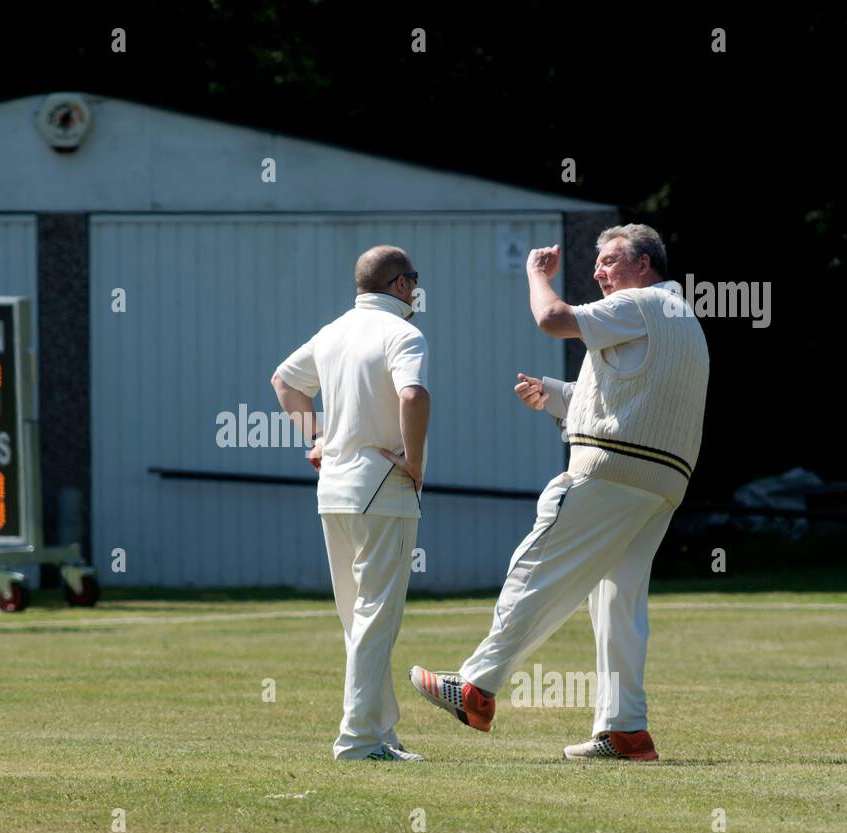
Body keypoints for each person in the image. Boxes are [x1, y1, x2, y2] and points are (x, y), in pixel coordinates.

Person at [409, 224, 708, 760]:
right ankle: (625, 731)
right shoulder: (679, 317)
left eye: (610, 261)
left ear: (645, 265)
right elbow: (633, 401)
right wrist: (556, 396)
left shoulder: (640, 303)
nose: (598, 272)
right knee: (618, 602)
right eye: (596, 263)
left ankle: (476, 688)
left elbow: (553, 319)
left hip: (611, 472)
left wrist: (535, 275)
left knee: (535, 565)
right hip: (661, 484)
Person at [272, 245, 431, 761]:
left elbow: (284, 382)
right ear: (399, 285)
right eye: (413, 279)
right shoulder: (404, 333)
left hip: (334, 494)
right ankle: (359, 740)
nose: (416, 288)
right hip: (382, 490)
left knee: (359, 620)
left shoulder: (333, 331)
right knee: (374, 618)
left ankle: (380, 733)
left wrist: (317, 439)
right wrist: (416, 463)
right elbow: (413, 396)